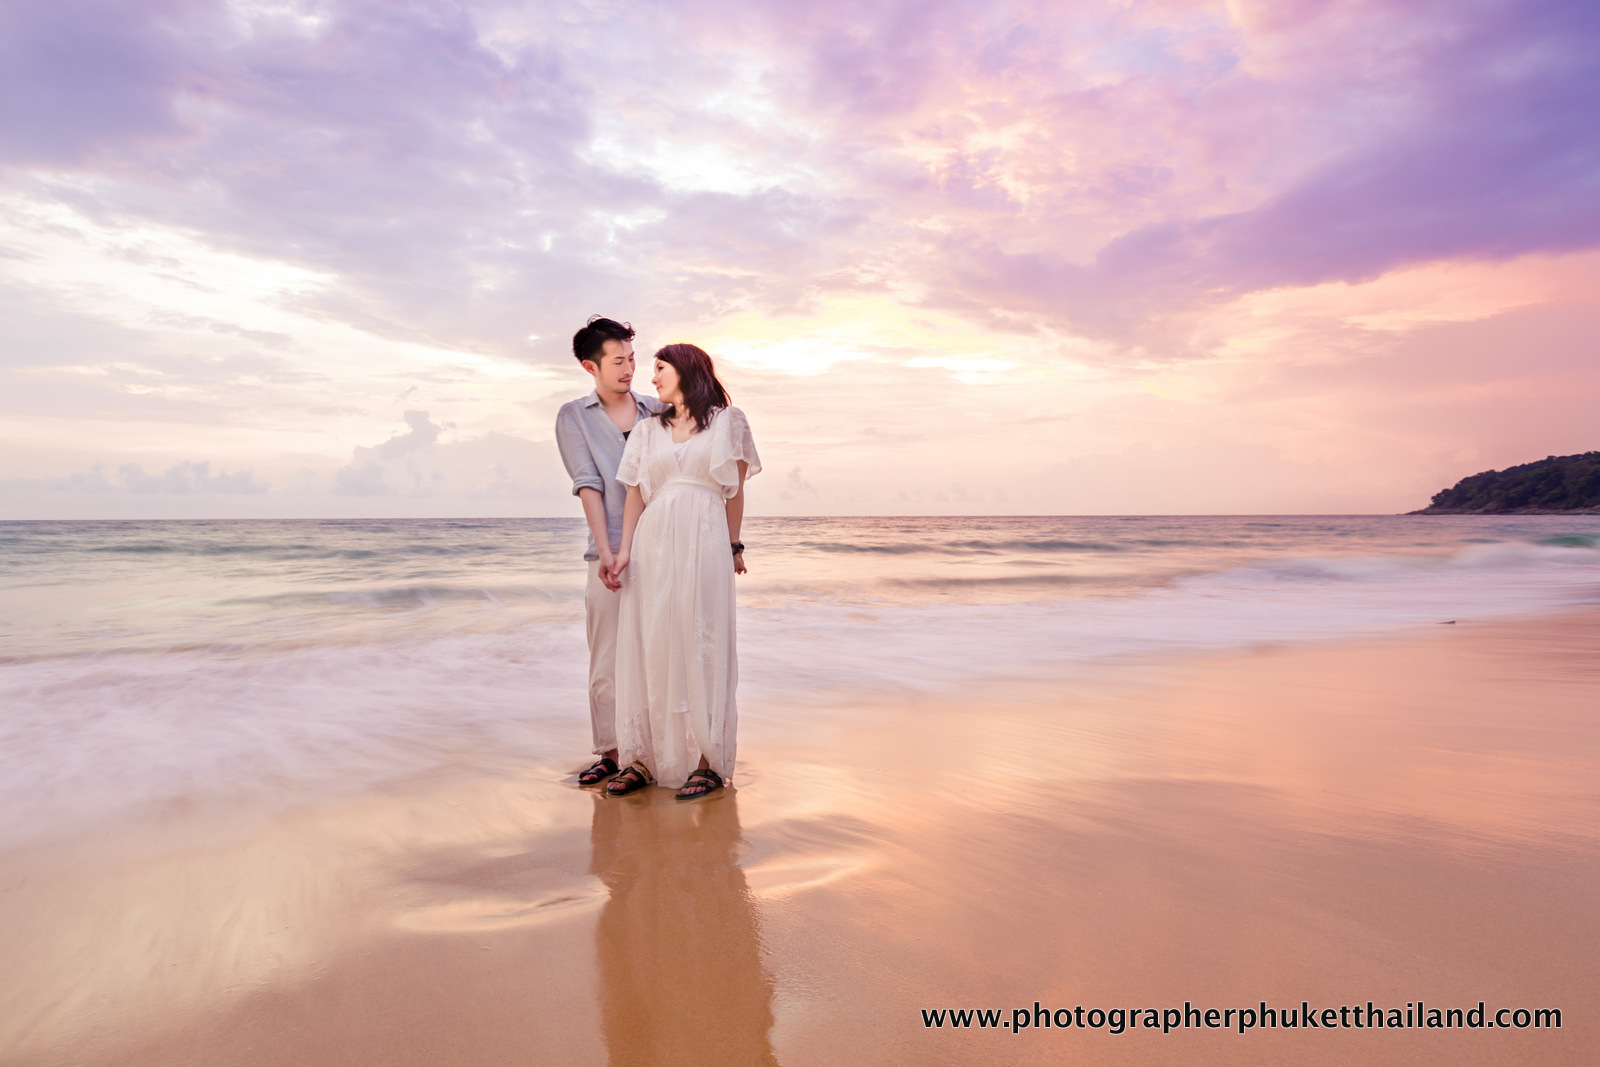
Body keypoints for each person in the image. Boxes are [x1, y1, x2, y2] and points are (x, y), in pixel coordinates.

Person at [604, 344, 760, 800]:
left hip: (704, 537)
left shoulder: (728, 421)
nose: (651, 378)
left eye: (660, 368)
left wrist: (734, 546)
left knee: (703, 641)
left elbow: (734, 491)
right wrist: (624, 551)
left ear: (686, 369)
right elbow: (635, 494)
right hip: (653, 542)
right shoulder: (647, 430)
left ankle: (708, 761)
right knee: (651, 642)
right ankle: (642, 759)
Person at [555, 316, 665, 787]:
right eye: (618, 361)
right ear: (590, 367)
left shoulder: (658, 410)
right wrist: (606, 550)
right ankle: (611, 753)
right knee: (606, 659)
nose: (629, 369)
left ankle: (651, 754)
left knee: (658, 655)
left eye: (633, 359)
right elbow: (588, 483)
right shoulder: (574, 415)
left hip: (661, 548)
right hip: (607, 553)